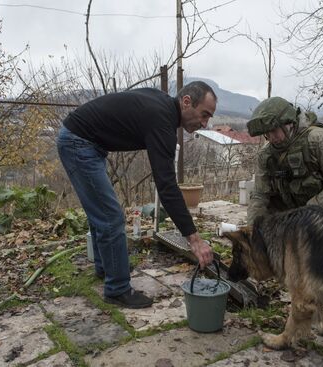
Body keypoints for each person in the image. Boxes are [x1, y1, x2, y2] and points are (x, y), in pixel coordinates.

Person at [57, 81, 216, 309]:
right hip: (79, 143)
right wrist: (194, 239)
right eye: (204, 115)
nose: (204, 123)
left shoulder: (163, 107)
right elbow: (167, 186)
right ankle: (117, 289)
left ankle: (107, 268)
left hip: (85, 142)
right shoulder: (162, 119)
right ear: (187, 101)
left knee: (102, 213)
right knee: (110, 216)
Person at [246, 97, 323, 224]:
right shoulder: (266, 154)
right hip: (295, 208)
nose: (271, 138)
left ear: (288, 123)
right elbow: (260, 194)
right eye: (266, 134)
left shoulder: (320, 139)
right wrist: (252, 229)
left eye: (274, 131)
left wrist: (310, 208)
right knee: (264, 222)